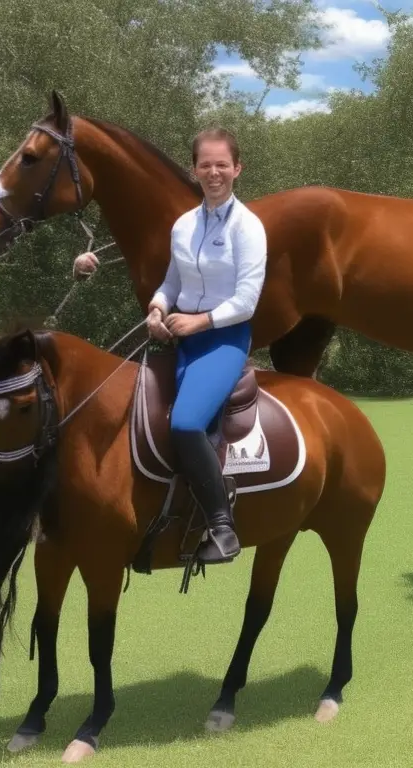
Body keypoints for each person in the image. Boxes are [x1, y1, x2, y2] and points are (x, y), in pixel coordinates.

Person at [143, 126, 266, 564]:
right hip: (183, 336)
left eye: (222, 164)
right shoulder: (184, 224)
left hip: (225, 339)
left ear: (237, 168)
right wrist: (158, 308)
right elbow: (173, 280)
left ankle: (222, 527)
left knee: (186, 423)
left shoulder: (248, 227)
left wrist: (199, 321)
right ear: (194, 170)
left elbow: (247, 302)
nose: (213, 172)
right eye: (205, 164)